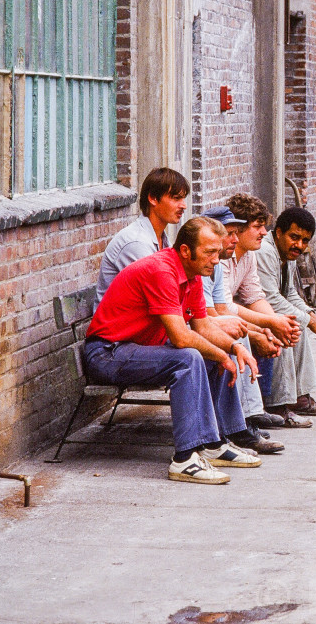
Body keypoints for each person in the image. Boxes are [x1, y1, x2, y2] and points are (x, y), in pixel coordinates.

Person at [84, 216, 263, 484]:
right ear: (185, 251)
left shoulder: (192, 274)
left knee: (210, 354)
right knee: (189, 357)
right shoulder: (162, 271)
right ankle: (185, 459)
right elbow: (181, 337)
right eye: (209, 252)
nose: (217, 259)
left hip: (137, 348)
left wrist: (235, 348)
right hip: (108, 353)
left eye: (218, 251)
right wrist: (222, 354)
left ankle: (214, 444)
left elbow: (202, 328)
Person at [201, 205, 285, 456]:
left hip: (199, 321)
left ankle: (252, 416)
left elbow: (218, 309)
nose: (234, 239)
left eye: (237, 232)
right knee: (238, 334)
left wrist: (271, 325)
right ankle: (239, 426)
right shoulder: (205, 260)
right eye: (229, 233)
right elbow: (203, 316)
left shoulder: (216, 262)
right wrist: (255, 330)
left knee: (252, 329)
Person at [257, 207, 316, 426]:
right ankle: (278, 405)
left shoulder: (287, 256)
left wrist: (312, 316)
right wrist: (309, 321)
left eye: (305, 241)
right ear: (278, 232)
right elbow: (271, 298)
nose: (299, 245)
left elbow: (289, 293)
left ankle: (299, 397)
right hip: (251, 311)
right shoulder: (265, 250)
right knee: (285, 326)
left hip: (266, 308)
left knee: (297, 322)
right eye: (294, 237)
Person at [96, 167, 189, 303]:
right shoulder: (136, 242)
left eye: (184, 199)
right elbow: (160, 292)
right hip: (121, 323)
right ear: (153, 198)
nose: (184, 205)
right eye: (176, 198)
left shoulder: (161, 238)